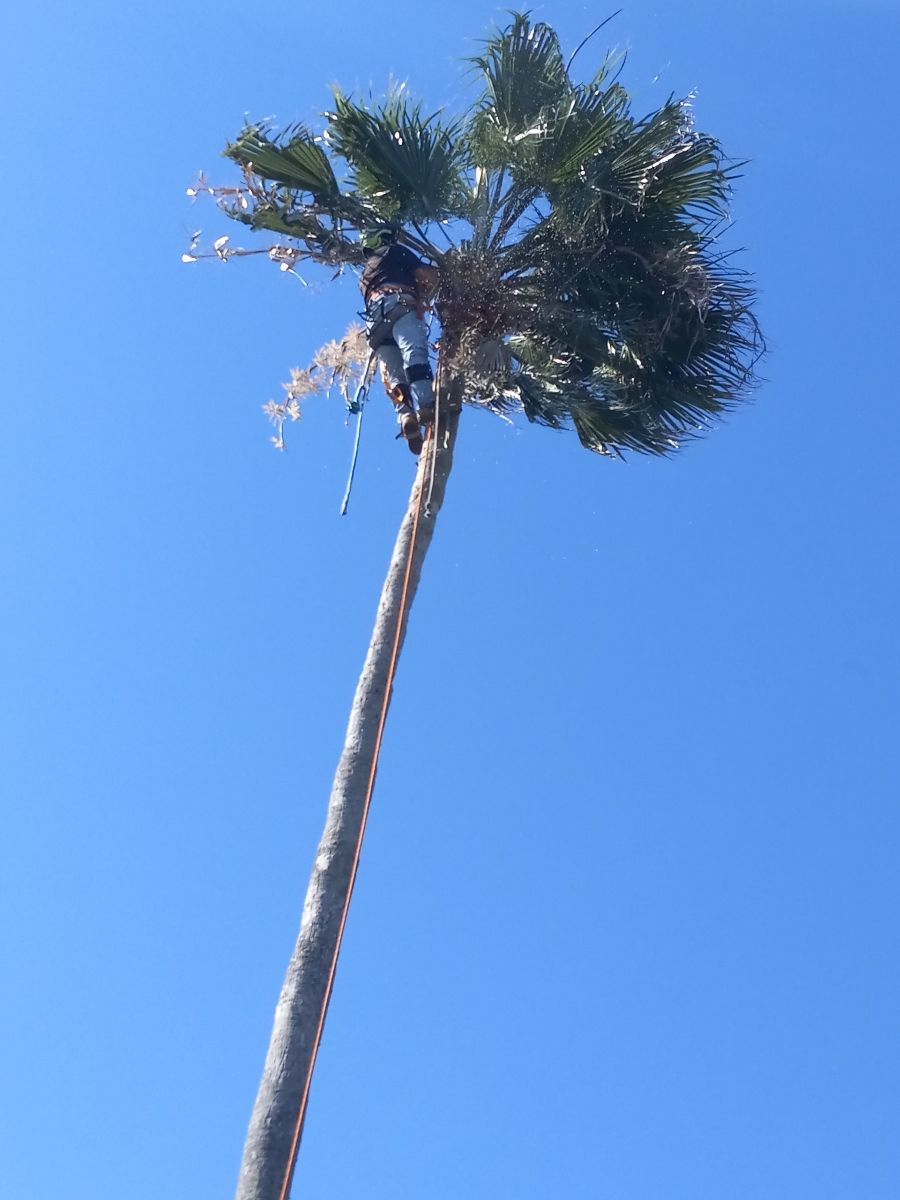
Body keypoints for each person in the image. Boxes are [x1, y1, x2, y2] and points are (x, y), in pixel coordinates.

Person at [359, 228, 439, 455]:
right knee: (415, 352)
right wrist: (440, 282)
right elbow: (426, 275)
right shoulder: (394, 251)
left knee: (395, 374)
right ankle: (426, 405)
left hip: (375, 326)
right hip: (400, 305)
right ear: (386, 238)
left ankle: (405, 414)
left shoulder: (365, 273)